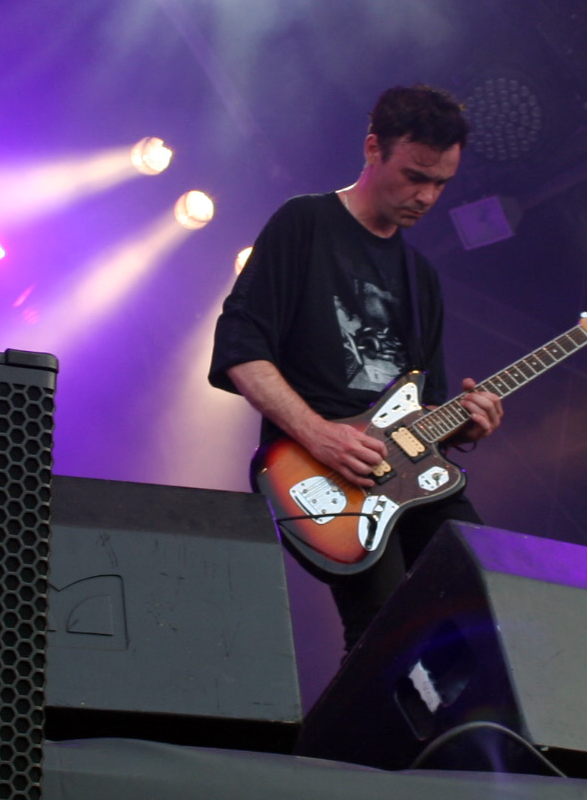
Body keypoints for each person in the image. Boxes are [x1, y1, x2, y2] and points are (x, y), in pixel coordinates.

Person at [208, 84, 504, 652]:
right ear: (373, 149)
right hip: (324, 469)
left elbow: (428, 406)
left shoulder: (421, 277)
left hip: (410, 469)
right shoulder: (305, 223)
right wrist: (320, 434)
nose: (427, 196)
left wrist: (464, 424)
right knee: (382, 629)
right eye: (415, 176)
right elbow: (242, 349)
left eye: (441, 183)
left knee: (487, 601)